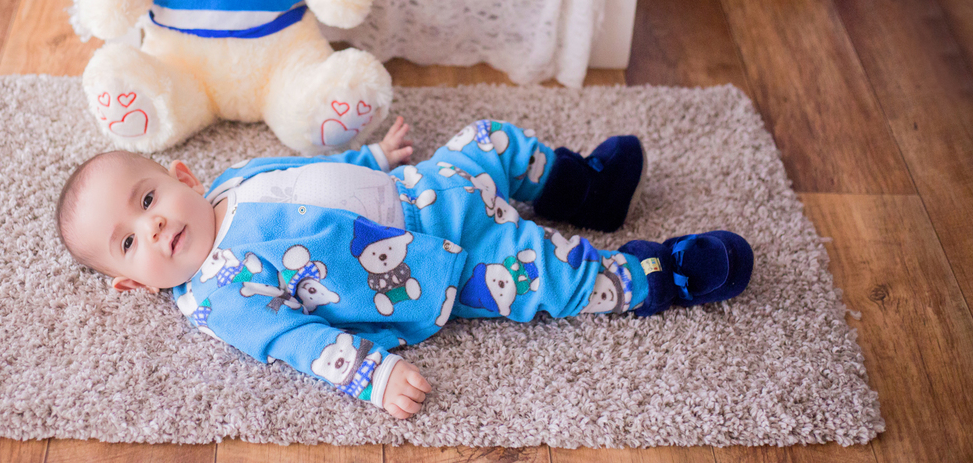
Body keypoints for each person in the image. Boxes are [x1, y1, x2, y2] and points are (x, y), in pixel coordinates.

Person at [56, 117, 753, 419]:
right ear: (132, 283)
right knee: (550, 276)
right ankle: (659, 277)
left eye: (147, 198)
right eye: (127, 242)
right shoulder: (217, 297)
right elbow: (301, 346)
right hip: (442, 270)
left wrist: (373, 160)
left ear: (180, 174)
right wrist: (373, 376)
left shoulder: (233, 178)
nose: (152, 225)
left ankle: (587, 190)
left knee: (490, 140)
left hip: (430, 189)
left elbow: (310, 174)